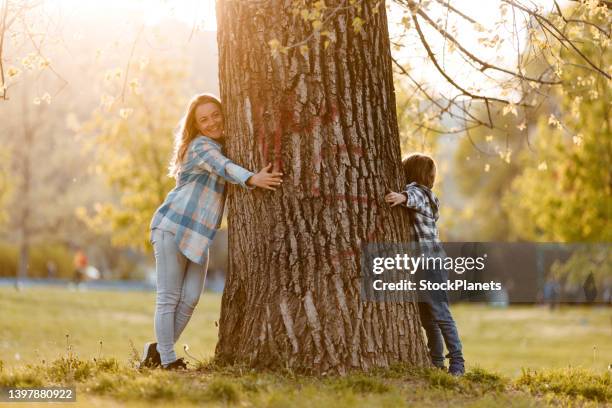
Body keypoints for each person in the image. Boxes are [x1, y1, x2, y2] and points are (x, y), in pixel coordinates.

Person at [140, 93, 283, 370]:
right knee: (169, 297)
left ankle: (156, 353)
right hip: (172, 226)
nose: (211, 122)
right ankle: (168, 362)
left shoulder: (223, 145)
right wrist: (252, 178)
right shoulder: (200, 146)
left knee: (191, 298)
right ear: (195, 125)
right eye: (203, 119)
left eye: (215, 115)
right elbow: (223, 167)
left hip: (199, 235)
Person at [384, 153, 465, 376]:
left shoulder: (420, 193)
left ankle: (457, 362)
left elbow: (414, 196)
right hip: (423, 266)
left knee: (440, 314)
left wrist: (401, 197)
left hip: (431, 266)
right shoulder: (425, 195)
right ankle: (437, 362)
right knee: (427, 318)